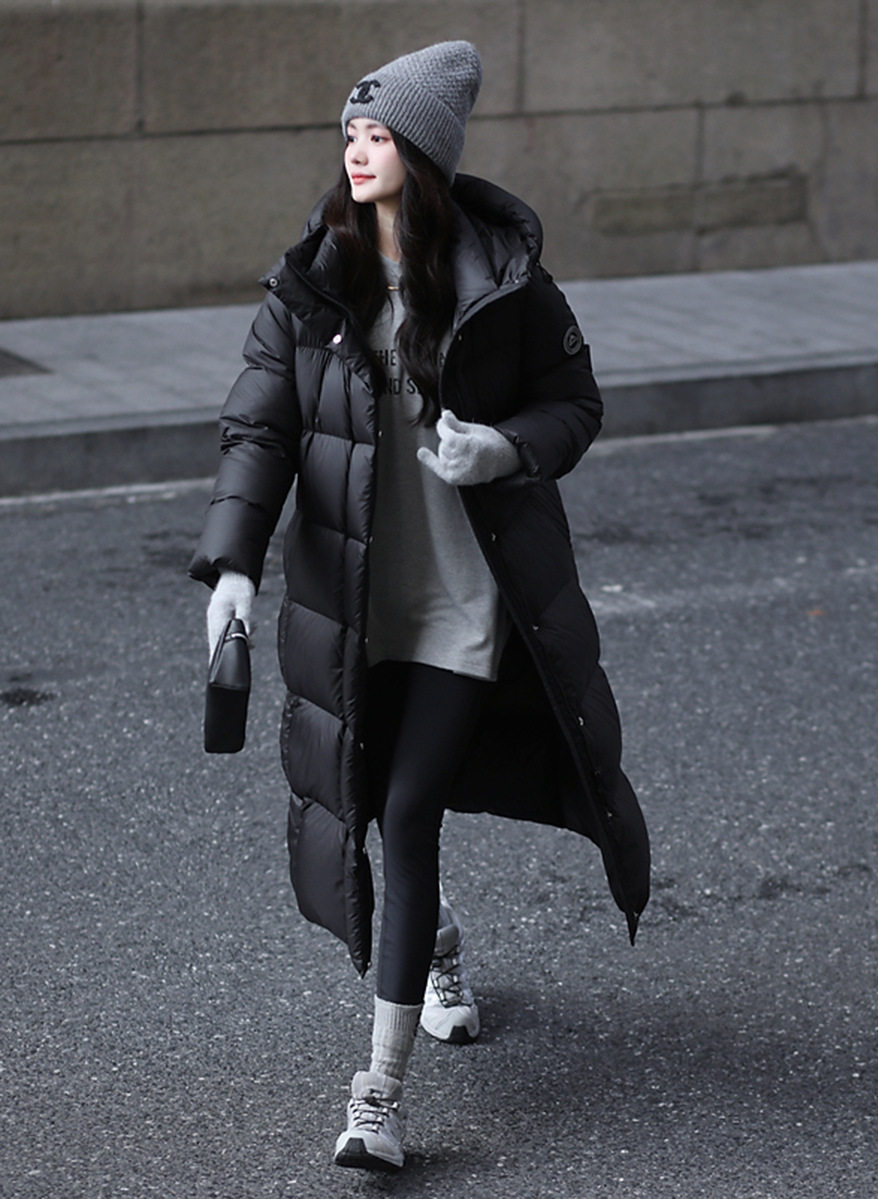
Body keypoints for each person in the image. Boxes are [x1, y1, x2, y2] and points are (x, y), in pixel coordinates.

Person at [189, 40, 650, 1173]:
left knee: (404, 815)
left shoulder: (502, 281)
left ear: (425, 155)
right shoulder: (313, 285)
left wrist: (505, 447)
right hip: (356, 609)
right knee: (371, 812)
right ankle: (435, 937)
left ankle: (380, 1096)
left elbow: (575, 402)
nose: (357, 152)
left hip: (461, 607)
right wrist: (233, 568)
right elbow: (259, 430)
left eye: (380, 134)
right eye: (351, 133)